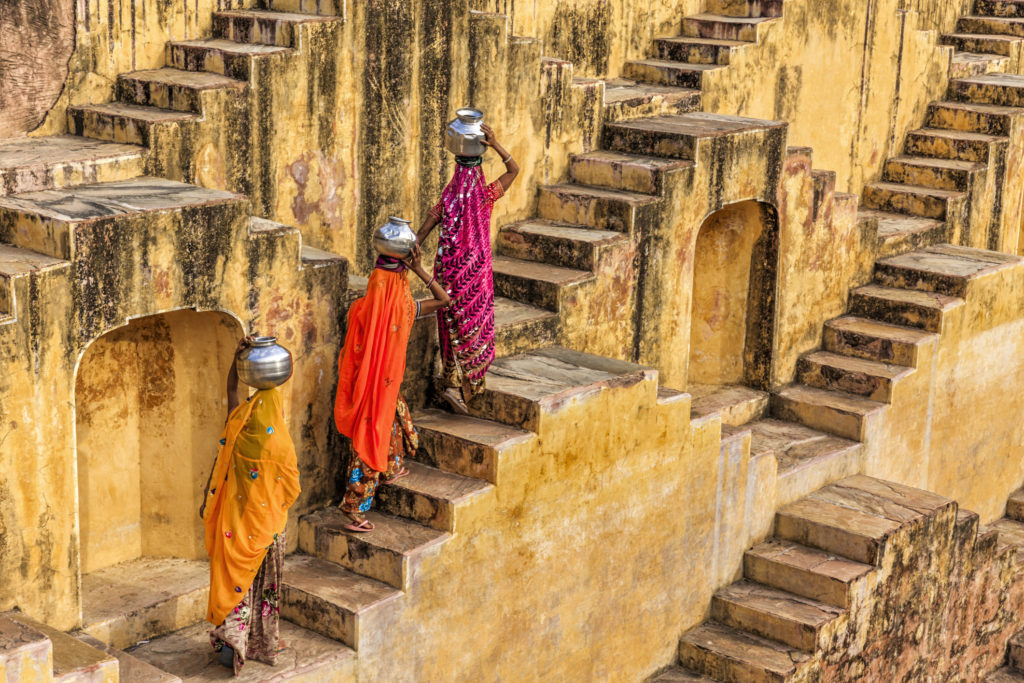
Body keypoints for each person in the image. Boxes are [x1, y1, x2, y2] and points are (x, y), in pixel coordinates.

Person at [199, 337, 301, 675]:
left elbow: (232, 392)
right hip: (265, 526)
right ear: (277, 413)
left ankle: (232, 645)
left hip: (234, 520)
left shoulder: (238, 421)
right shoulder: (279, 444)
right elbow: (291, 487)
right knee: (261, 585)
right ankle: (257, 643)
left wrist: (237, 358)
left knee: (235, 582)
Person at [334, 243, 451, 532]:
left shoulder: (358, 310)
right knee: (371, 438)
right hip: (382, 387)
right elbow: (444, 299)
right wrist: (419, 269)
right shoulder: (406, 309)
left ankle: (390, 468)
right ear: (401, 281)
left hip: (364, 389)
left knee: (390, 418)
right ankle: (354, 511)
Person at [417, 122, 519, 414]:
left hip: (448, 275)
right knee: (474, 328)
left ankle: (451, 383)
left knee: (451, 327)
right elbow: (514, 171)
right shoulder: (485, 196)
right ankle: (469, 388)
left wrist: (409, 250)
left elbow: (424, 230)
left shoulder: (448, 199)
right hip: (475, 277)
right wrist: (496, 144)